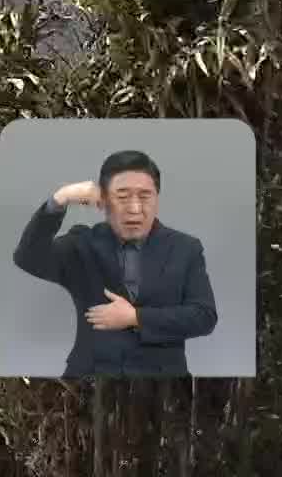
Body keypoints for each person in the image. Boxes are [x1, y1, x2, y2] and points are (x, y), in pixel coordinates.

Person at [11, 149, 217, 377]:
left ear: (157, 198)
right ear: (104, 201)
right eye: (122, 197)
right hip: (90, 378)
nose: (135, 208)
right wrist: (61, 198)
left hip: (163, 382)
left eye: (145, 196)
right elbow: (28, 257)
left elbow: (204, 316)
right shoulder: (83, 244)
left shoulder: (185, 248)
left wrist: (135, 318)